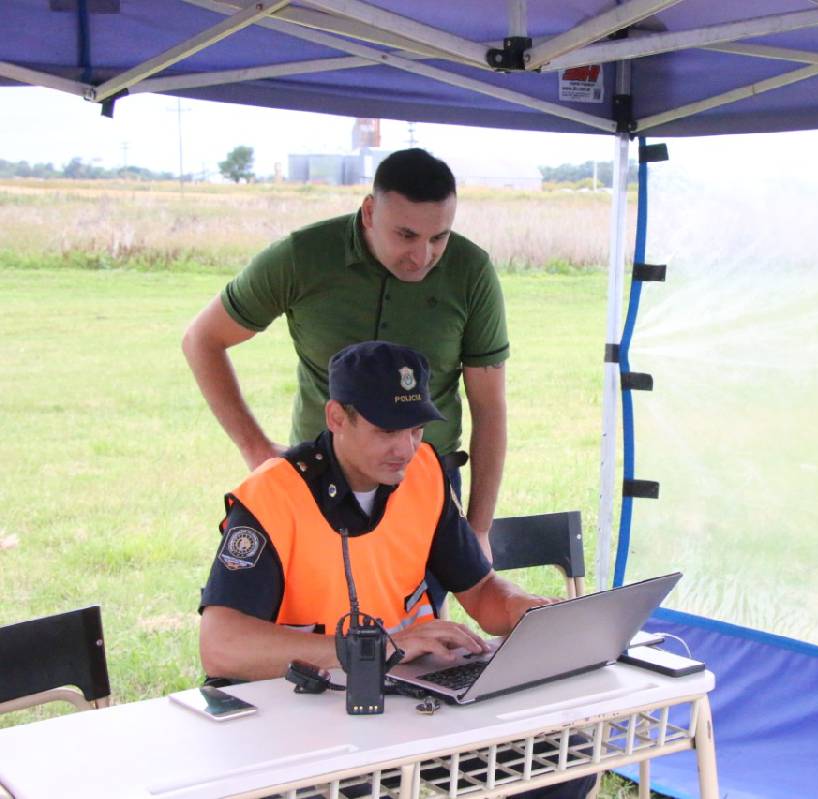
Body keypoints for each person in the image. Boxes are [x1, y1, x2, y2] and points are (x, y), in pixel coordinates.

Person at [198, 341, 592, 799]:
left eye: (417, 429)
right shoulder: (272, 496)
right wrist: (373, 649)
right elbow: (222, 648)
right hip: (292, 716)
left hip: (405, 705)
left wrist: (523, 609)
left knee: (560, 766)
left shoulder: (424, 474)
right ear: (336, 418)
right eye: (387, 431)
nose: (405, 449)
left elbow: (481, 591)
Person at [182, 148, 508, 562]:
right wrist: (257, 450)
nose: (422, 256)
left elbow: (490, 407)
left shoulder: (471, 270)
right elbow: (202, 340)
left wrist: (478, 529)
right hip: (320, 481)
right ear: (369, 212)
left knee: (422, 620)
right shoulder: (303, 257)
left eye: (438, 237)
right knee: (322, 620)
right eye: (406, 235)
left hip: (425, 483)